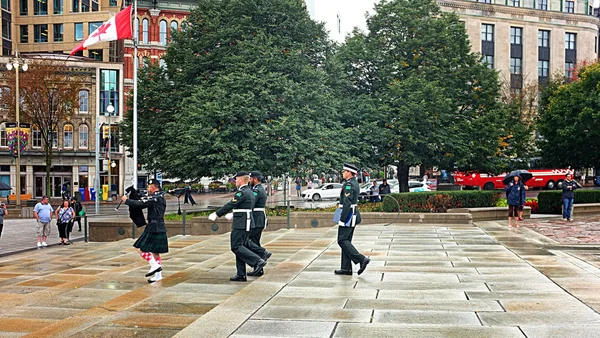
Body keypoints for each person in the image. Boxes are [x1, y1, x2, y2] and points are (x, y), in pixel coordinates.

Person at [209, 172, 266, 282]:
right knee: (240, 247)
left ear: (241, 180)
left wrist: (217, 214)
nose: (235, 181)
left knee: (236, 246)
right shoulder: (249, 191)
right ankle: (241, 274)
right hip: (248, 222)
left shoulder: (242, 192)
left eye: (236, 179)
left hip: (241, 223)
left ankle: (257, 261)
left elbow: (231, 204)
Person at [122, 179, 168, 283]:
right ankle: (158, 275)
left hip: (154, 227)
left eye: (148, 186)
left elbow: (140, 204)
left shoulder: (156, 198)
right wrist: (134, 193)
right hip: (158, 226)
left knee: (139, 247)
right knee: (155, 252)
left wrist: (127, 201)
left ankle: (154, 265)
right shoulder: (158, 196)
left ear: (153, 187)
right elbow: (142, 198)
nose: (147, 188)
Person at [335, 163, 370, 276]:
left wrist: (342, 218)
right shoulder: (353, 183)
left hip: (348, 214)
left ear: (349, 172)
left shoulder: (349, 185)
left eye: (344, 171)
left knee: (342, 240)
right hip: (351, 213)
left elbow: (347, 202)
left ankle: (361, 259)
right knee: (346, 241)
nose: (342, 173)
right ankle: (346, 268)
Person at [246, 171, 272, 277]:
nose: (249, 180)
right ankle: (258, 268)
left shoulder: (257, 190)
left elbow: (251, 201)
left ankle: (263, 253)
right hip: (258, 218)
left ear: (255, 179)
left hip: (257, 219)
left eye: (250, 178)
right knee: (254, 243)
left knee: (246, 241)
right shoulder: (257, 189)